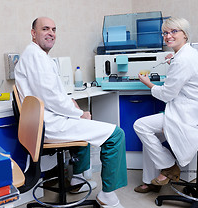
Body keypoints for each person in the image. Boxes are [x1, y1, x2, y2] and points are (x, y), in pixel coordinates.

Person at [14, 17, 127, 208]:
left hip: (44, 121)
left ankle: (75, 179)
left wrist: (71, 103)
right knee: (116, 135)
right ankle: (107, 195)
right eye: (45, 29)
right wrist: (78, 113)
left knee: (85, 125)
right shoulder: (36, 56)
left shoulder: (35, 54)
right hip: (49, 124)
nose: (51, 33)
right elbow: (50, 96)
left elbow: (50, 92)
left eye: (54, 29)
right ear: (33, 33)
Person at [133, 17, 198, 193]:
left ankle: (169, 166)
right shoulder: (187, 54)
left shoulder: (183, 59)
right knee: (150, 138)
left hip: (189, 115)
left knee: (140, 126)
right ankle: (151, 181)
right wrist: (173, 62)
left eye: (173, 31)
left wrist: (148, 83)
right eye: (165, 33)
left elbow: (167, 94)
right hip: (193, 110)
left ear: (185, 34)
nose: (168, 36)